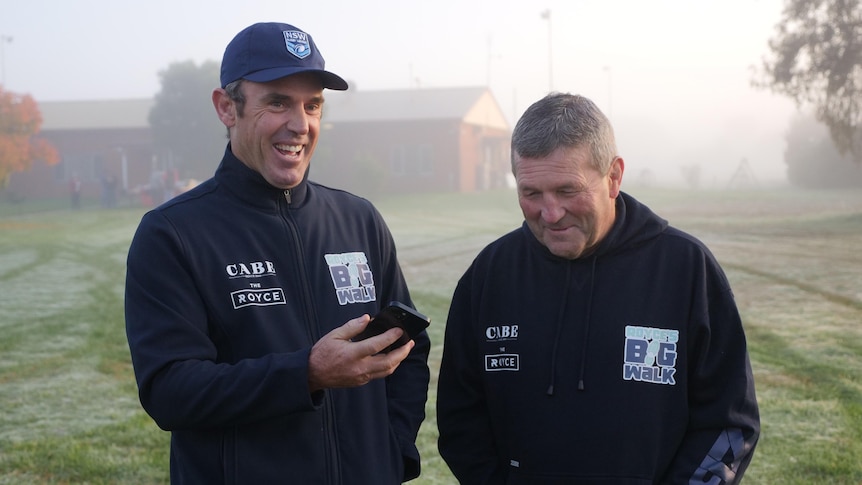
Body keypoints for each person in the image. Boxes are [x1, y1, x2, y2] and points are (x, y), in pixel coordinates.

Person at [125, 22, 430, 484]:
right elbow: (170, 391)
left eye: (312, 105)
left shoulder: (358, 219)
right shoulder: (172, 233)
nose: (300, 124)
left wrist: (391, 453)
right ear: (227, 107)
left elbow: (409, 349)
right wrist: (304, 374)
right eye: (277, 102)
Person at [436, 93, 759, 484]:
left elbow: (729, 422)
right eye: (531, 193)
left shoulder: (685, 269)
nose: (550, 214)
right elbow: (460, 419)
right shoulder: (489, 276)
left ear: (614, 177)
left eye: (568, 191)